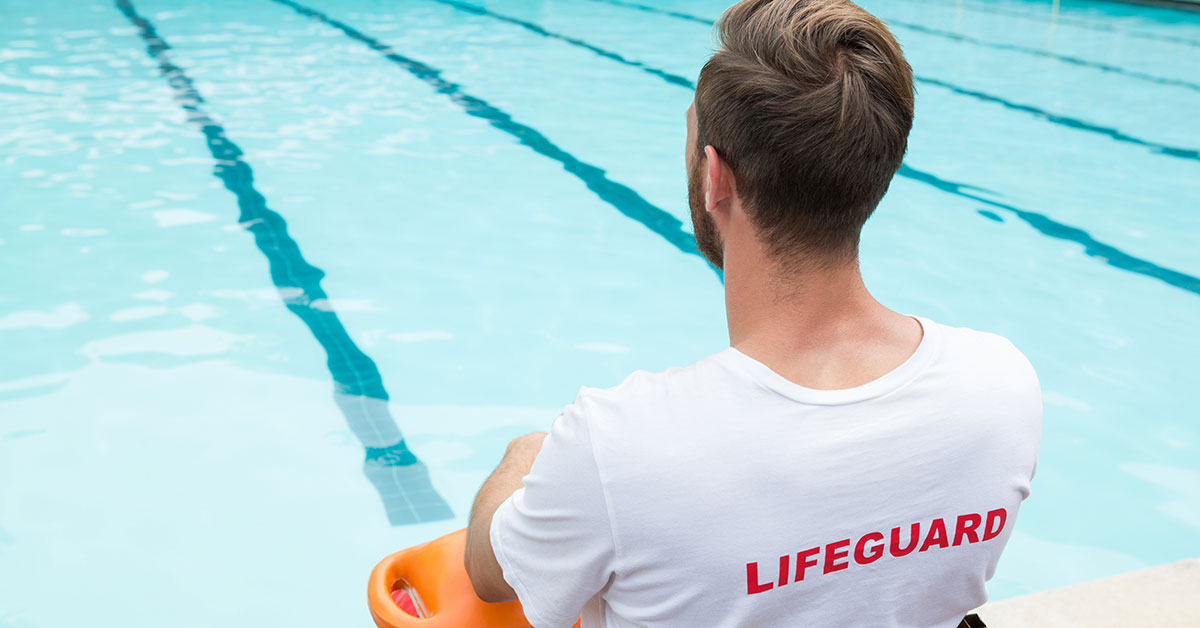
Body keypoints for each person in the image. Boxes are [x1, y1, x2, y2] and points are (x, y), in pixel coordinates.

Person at [462, 0, 1042, 626]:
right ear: (878, 166)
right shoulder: (1000, 384)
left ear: (715, 177)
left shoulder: (619, 449)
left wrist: (525, 456)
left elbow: (490, 572)